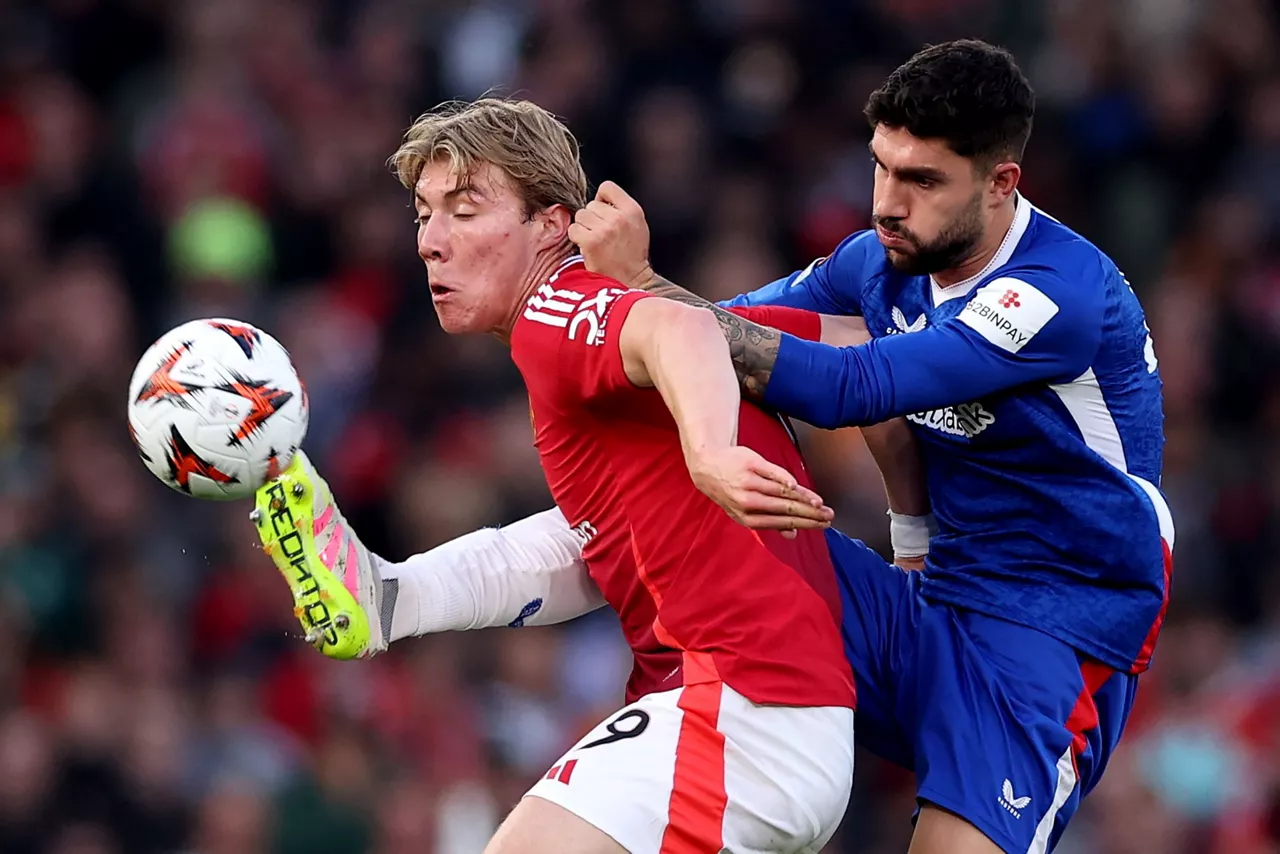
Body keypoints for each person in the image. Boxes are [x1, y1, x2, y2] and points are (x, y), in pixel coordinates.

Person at [569, 39, 1175, 854]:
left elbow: (847, 388)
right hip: (931, 596)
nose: (887, 203)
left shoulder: (1054, 295)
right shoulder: (882, 261)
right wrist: (616, 301)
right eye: (881, 167)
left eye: (922, 180)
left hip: (1051, 633)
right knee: (697, 506)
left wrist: (641, 289)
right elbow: (726, 334)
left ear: (1001, 183)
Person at [250, 97, 873, 854]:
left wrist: (711, 450)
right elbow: (591, 548)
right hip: (772, 721)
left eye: (464, 211)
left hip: (741, 710)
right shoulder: (608, 348)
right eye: (423, 215)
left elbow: (680, 326)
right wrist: (400, 598)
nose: (431, 243)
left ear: (551, 225)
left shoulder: (558, 309)